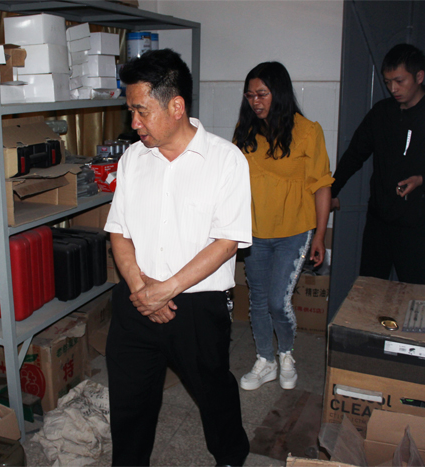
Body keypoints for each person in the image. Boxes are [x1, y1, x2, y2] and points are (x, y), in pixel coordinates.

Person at [104, 48, 252, 466]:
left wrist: (164, 291)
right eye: (131, 112)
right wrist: (141, 289)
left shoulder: (225, 161)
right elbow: (119, 231)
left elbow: (227, 241)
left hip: (197, 306)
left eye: (142, 111)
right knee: (129, 404)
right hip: (136, 299)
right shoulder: (134, 158)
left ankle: (230, 457)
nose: (134, 123)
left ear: (176, 106)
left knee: (214, 394)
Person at [232, 62, 333, 391]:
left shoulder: (308, 131)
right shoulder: (245, 131)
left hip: (294, 231)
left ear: (280, 93)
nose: (255, 101)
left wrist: (320, 235)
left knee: (278, 301)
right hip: (254, 233)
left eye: (262, 94)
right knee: (258, 301)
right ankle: (266, 360)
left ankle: (286, 354)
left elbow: (322, 186)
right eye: (250, 95)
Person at [331, 43, 425, 285]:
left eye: (400, 81)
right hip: (379, 221)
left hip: (417, 225)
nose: (393, 88)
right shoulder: (382, 113)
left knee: (414, 291)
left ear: (419, 76)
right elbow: (354, 155)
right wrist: (331, 191)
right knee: (369, 290)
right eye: (388, 82)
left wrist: (423, 181)